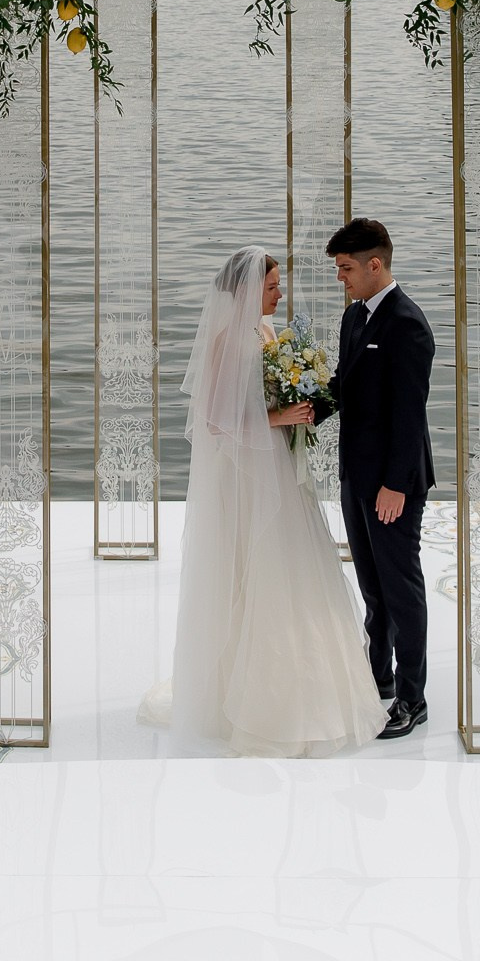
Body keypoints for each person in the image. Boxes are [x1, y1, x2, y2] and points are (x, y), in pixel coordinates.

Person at [145, 246, 388, 756]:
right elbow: (215, 421)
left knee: (296, 566)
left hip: (278, 466)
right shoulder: (224, 343)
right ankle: (249, 697)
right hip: (246, 476)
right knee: (256, 567)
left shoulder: (270, 333)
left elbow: (270, 394)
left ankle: (310, 684)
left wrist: (302, 406)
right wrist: (280, 419)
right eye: (273, 287)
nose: (280, 295)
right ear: (249, 290)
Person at [320, 218, 438, 740]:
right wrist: (299, 410)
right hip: (356, 476)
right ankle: (380, 678)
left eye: (346, 269)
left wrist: (394, 483)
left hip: (393, 484)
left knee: (402, 587)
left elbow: (411, 415)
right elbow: (342, 386)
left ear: (375, 264)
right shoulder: (354, 318)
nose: (341, 278)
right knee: (373, 586)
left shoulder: (408, 324)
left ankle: (414, 697)